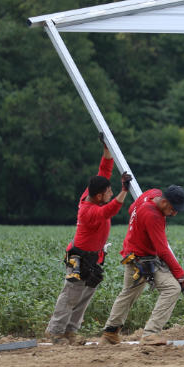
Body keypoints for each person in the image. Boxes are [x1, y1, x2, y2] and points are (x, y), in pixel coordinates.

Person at [44, 142, 132, 344]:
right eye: (109, 191)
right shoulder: (89, 210)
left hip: (94, 258)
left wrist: (107, 151)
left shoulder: (92, 194)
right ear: (100, 195)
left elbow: (104, 171)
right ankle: (56, 332)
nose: (111, 193)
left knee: (84, 297)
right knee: (70, 296)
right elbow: (109, 211)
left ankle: (70, 332)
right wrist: (124, 190)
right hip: (79, 258)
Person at [101, 183, 184, 346]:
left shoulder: (152, 193)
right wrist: (180, 274)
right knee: (172, 288)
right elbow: (163, 250)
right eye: (173, 209)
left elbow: (131, 210)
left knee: (128, 294)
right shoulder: (153, 216)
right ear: (164, 202)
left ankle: (110, 333)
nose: (174, 213)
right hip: (141, 259)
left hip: (133, 253)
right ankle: (150, 334)